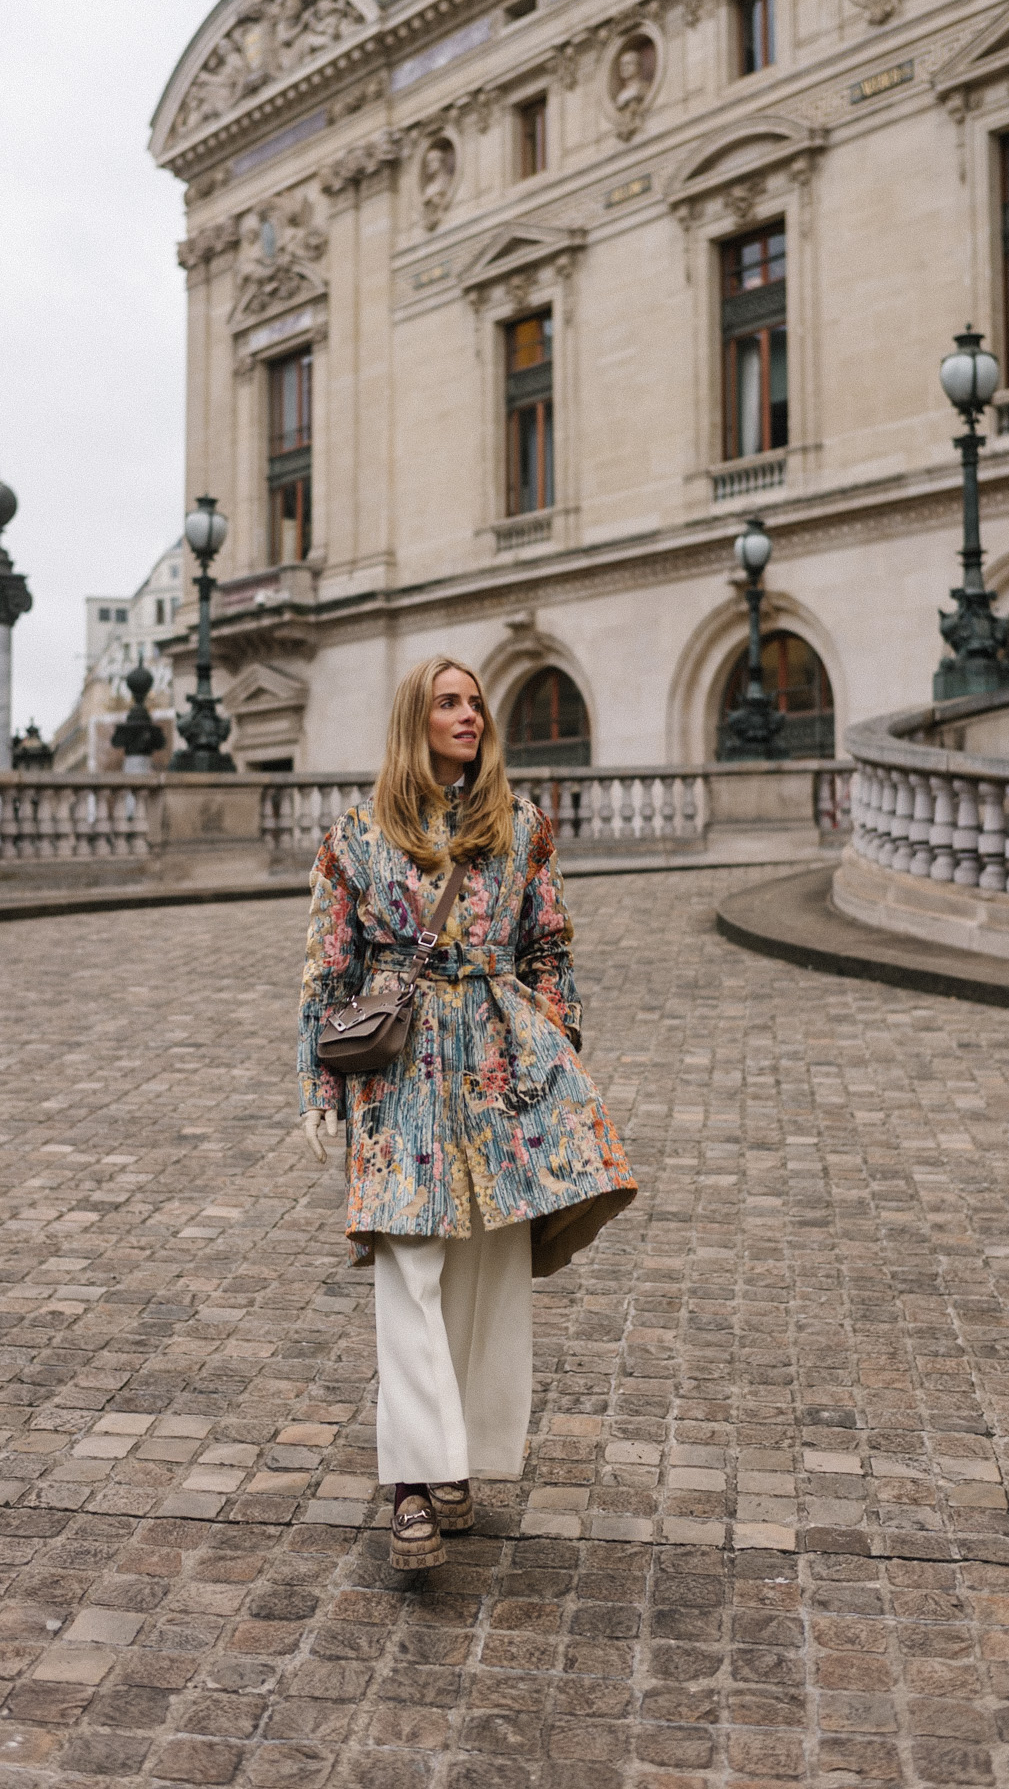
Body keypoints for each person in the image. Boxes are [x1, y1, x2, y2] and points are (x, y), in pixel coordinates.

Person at [297, 655, 637, 1570]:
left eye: (477, 702)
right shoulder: (359, 835)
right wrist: (318, 1086)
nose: (470, 715)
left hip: (497, 1065)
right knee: (407, 1263)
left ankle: (461, 1461)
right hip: (399, 1071)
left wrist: (556, 1043)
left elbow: (550, 946)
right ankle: (412, 1482)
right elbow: (330, 970)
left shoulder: (520, 827)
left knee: (484, 1272)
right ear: (415, 718)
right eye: (449, 702)